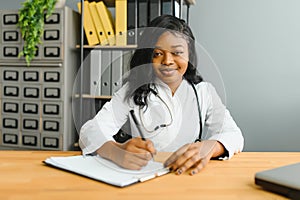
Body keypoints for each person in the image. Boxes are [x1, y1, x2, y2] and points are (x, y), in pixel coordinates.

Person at [79, 15, 244, 175]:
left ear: (190, 56)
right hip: (144, 175)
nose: (167, 61)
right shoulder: (132, 90)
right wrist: (116, 152)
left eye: (177, 53)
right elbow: (89, 131)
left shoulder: (204, 92)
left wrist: (210, 147)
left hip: (187, 175)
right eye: (158, 53)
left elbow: (234, 134)